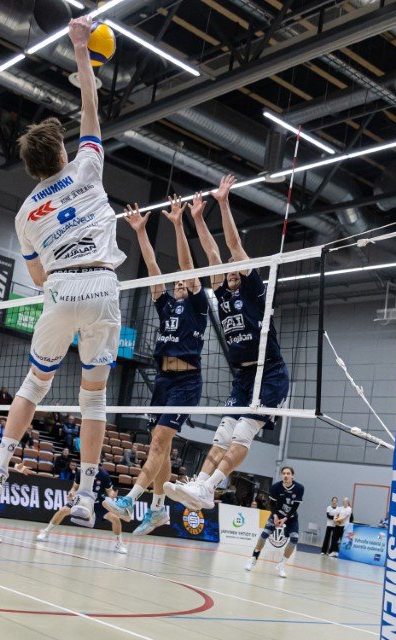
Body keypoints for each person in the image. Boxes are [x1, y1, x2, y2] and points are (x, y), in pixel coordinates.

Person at [0, 18, 126, 526]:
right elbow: (90, 103)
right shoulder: (87, 167)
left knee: (36, 384)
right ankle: (84, 496)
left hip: (61, 288)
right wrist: (81, 48)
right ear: (63, 153)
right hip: (102, 284)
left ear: (31, 168)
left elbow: (38, 279)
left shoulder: (24, 215)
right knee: (93, 397)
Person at [164, 175, 290, 512]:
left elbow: (233, 248)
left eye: (237, 268)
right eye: (229, 269)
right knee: (221, 436)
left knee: (242, 434)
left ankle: (209, 487)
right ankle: (199, 485)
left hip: (269, 373)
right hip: (243, 376)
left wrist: (222, 204)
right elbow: (212, 253)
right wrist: (197, 218)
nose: (232, 270)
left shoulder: (254, 291)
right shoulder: (221, 293)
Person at [104, 195, 207, 536]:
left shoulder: (197, 307)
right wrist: (140, 232)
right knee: (159, 448)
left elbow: (188, 267)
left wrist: (178, 225)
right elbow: (152, 268)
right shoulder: (166, 306)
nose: (179, 282)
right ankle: (159, 509)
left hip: (186, 382)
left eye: (183, 281)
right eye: (175, 281)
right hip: (163, 381)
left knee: (160, 441)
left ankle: (129, 500)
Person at [36, 462, 127, 554]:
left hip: (97, 503)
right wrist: (71, 493)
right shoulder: (81, 471)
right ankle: (46, 532)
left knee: (115, 518)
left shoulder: (104, 475)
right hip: (82, 499)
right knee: (63, 511)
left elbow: (109, 491)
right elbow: (74, 487)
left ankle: (119, 543)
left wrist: (113, 495)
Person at [245, 466, 304, 578]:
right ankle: (253, 558)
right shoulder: (275, 487)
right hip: (276, 515)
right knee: (264, 535)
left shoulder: (299, 488)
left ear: (292, 476)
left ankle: (282, 565)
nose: (286, 475)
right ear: (281, 475)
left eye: (288, 473)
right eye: (284, 473)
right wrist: (276, 516)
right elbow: (272, 504)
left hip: (291, 517)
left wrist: (285, 519)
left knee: (294, 539)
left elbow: (295, 507)